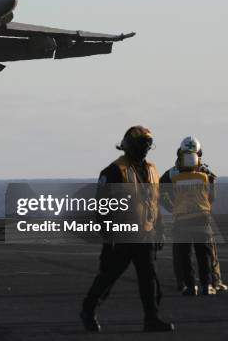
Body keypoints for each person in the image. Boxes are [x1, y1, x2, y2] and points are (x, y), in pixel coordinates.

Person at [81, 126, 174, 333]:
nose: (145, 149)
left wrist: (159, 229)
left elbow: (154, 202)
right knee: (107, 278)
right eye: (141, 145)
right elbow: (102, 206)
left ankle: (151, 319)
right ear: (129, 146)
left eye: (147, 146)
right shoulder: (113, 171)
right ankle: (88, 311)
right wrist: (108, 234)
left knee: (150, 282)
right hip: (121, 236)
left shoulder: (152, 169)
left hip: (145, 235)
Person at [160, 137, 221, 296]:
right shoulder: (204, 173)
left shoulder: (173, 173)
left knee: (183, 254)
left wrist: (171, 207)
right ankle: (208, 284)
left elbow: (159, 190)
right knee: (205, 254)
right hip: (201, 217)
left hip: (181, 218)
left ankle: (187, 284)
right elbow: (212, 191)